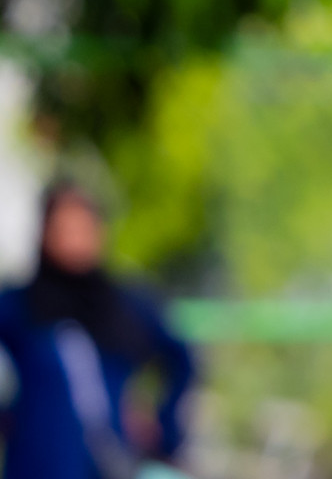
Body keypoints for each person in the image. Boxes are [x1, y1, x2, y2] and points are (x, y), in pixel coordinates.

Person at [0, 182, 195, 478]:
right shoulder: (22, 305)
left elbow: (181, 358)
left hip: (108, 462)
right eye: (63, 229)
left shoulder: (126, 306)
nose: (74, 241)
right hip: (38, 462)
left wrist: (163, 424)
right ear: (45, 233)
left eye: (82, 229)